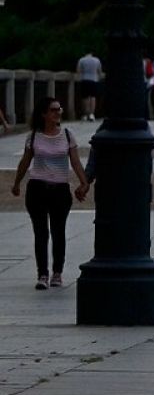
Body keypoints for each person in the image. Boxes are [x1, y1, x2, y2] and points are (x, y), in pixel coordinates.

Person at [11, 99, 90, 289]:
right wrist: (16, 183)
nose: (58, 113)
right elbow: (25, 161)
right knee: (40, 233)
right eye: (53, 110)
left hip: (60, 190)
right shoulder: (34, 137)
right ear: (44, 114)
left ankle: (57, 272)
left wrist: (84, 182)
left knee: (58, 231)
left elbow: (76, 162)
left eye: (59, 109)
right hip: (37, 188)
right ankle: (42, 274)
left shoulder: (67, 136)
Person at [77, 50, 102, 122]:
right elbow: (99, 71)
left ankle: (85, 114)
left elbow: (78, 70)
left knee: (85, 98)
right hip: (94, 80)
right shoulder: (96, 60)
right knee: (93, 97)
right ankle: (92, 114)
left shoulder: (81, 60)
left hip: (85, 80)